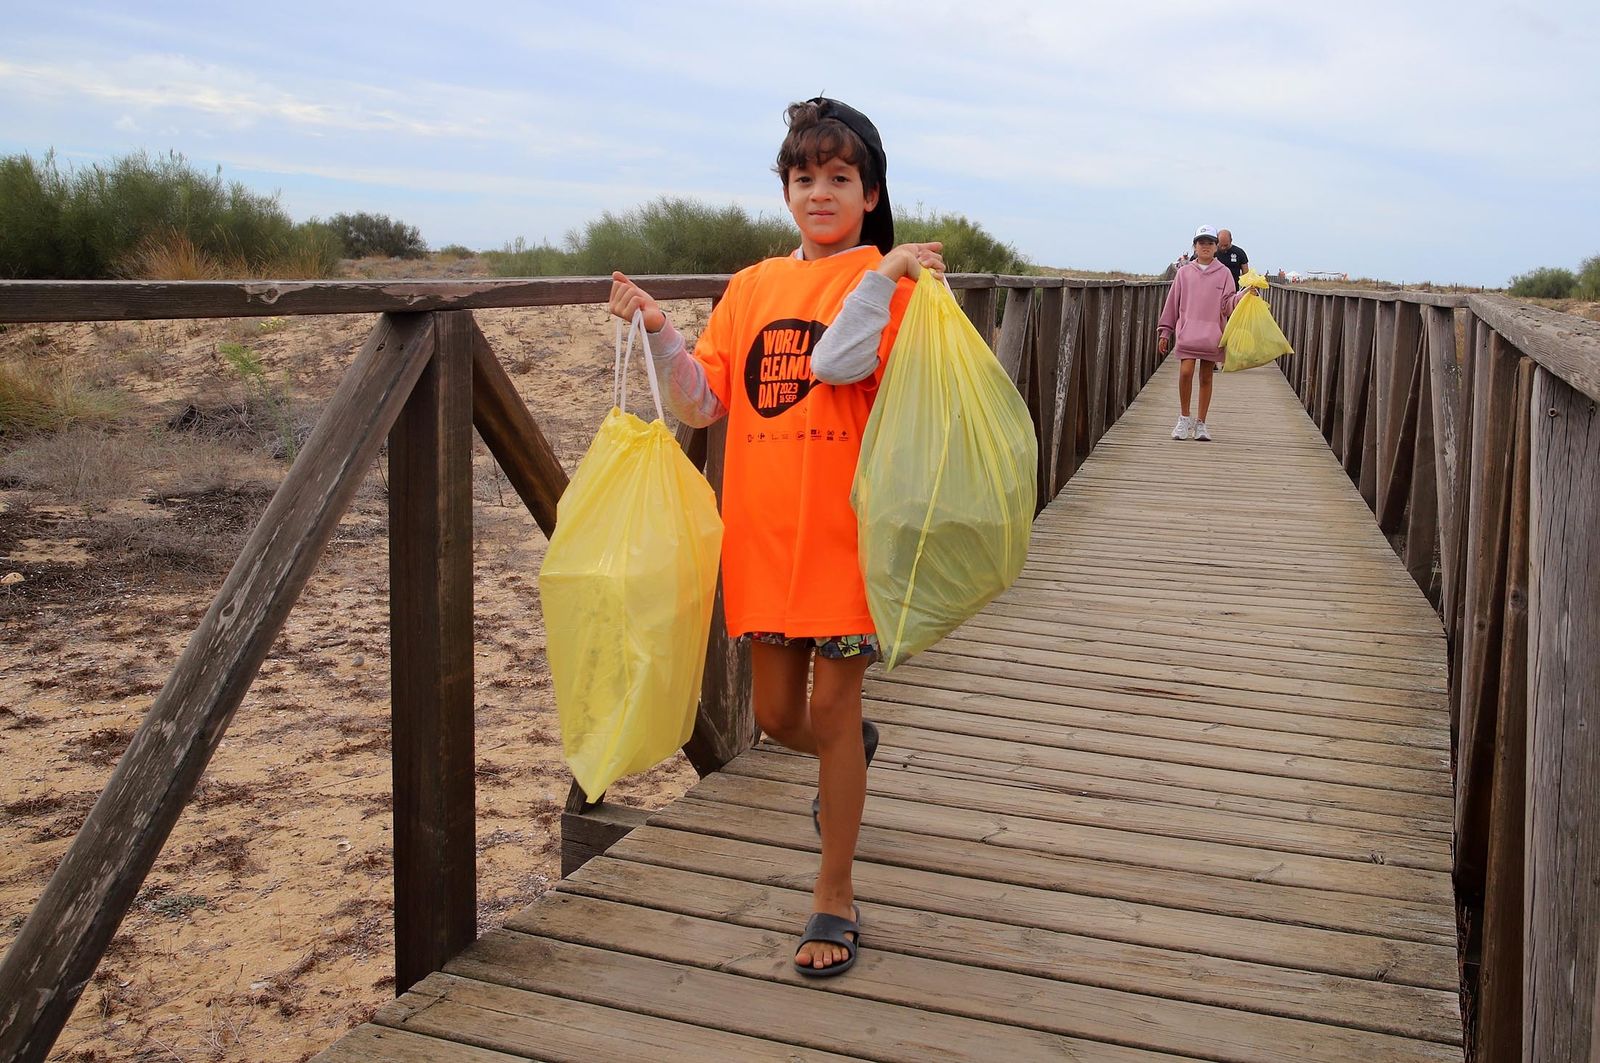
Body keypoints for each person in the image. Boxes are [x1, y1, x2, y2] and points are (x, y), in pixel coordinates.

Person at [608, 97, 943, 978]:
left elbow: (837, 362)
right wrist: (659, 328)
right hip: (761, 533)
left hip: (847, 533)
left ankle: (834, 894)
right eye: (805, 178)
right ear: (785, 190)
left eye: (840, 178)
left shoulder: (897, 287)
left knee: (832, 708)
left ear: (872, 194)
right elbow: (702, 400)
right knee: (777, 716)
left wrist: (884, 274)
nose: (821, 193)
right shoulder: (753, 287)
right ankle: (849, 758)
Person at [1157, 225, 1254, 441]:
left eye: (1210, 243)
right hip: (1188, 332)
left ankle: (1201, 423)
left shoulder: (1224, 274)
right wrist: (1165, 331)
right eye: (1201, 243)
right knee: (1186, 371)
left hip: (1212, 334)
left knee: (1206, 377)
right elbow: (1172, 303)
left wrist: (1245, 295)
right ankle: (1184, 418)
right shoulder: (1184, 273)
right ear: (1195, 246)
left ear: (1216, 247)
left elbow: (1228, 304)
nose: (1206, 247)